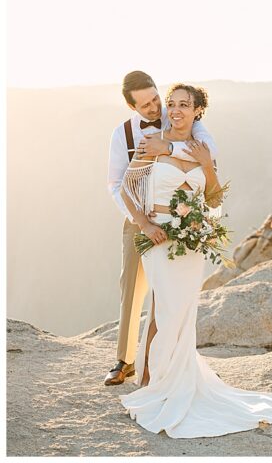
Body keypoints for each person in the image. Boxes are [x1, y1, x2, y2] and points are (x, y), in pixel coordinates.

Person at [118, 83, 272, 437]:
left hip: (190, 244)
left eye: (184, 105)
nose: (175, 110)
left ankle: (169, 378)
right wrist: (144, 224)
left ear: (197, 110)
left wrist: (207, 166)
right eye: (171, 104)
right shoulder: (152, 145)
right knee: (168, 310)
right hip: (159, 238)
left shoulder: (202, 148)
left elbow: (215, 198)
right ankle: (158, 382)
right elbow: (128, 188)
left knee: (184, 312)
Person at [104, 71, 218, 386]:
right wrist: (140, 220)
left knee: (166, 295)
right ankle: (124, 360)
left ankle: (159, 365)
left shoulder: (180, 114)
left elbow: (208, 151)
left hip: (178, 217)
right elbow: (116, 184)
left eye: (156, 99)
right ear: (131, 106)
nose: (156, 109)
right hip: (137, 217)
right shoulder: (122, 134)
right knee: (132, 285)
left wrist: (167, 150)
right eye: (146, 105)